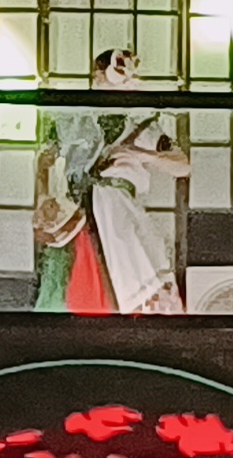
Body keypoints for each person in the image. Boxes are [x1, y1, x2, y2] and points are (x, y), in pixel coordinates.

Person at [34, 50, 190, 317]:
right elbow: (45, 158)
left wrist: (140, 154)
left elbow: (182, 165)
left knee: (129, 279)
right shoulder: (71, 118)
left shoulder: (142, 126)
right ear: (96, 78)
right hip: (75, 215)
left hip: (119, 214)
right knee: (69, 284)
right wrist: (44, 197)